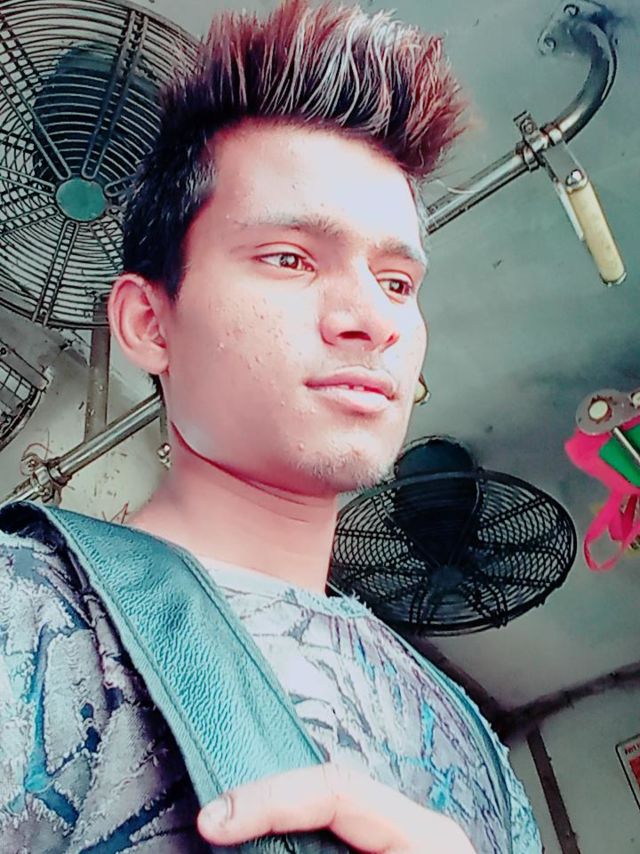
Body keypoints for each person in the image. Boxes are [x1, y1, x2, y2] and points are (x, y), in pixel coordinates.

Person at [0, 1, 542, 851]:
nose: (372, 318)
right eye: (290, 258)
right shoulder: (25, 613)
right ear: (149, 324)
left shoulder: (472, 741)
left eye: (397, 282)